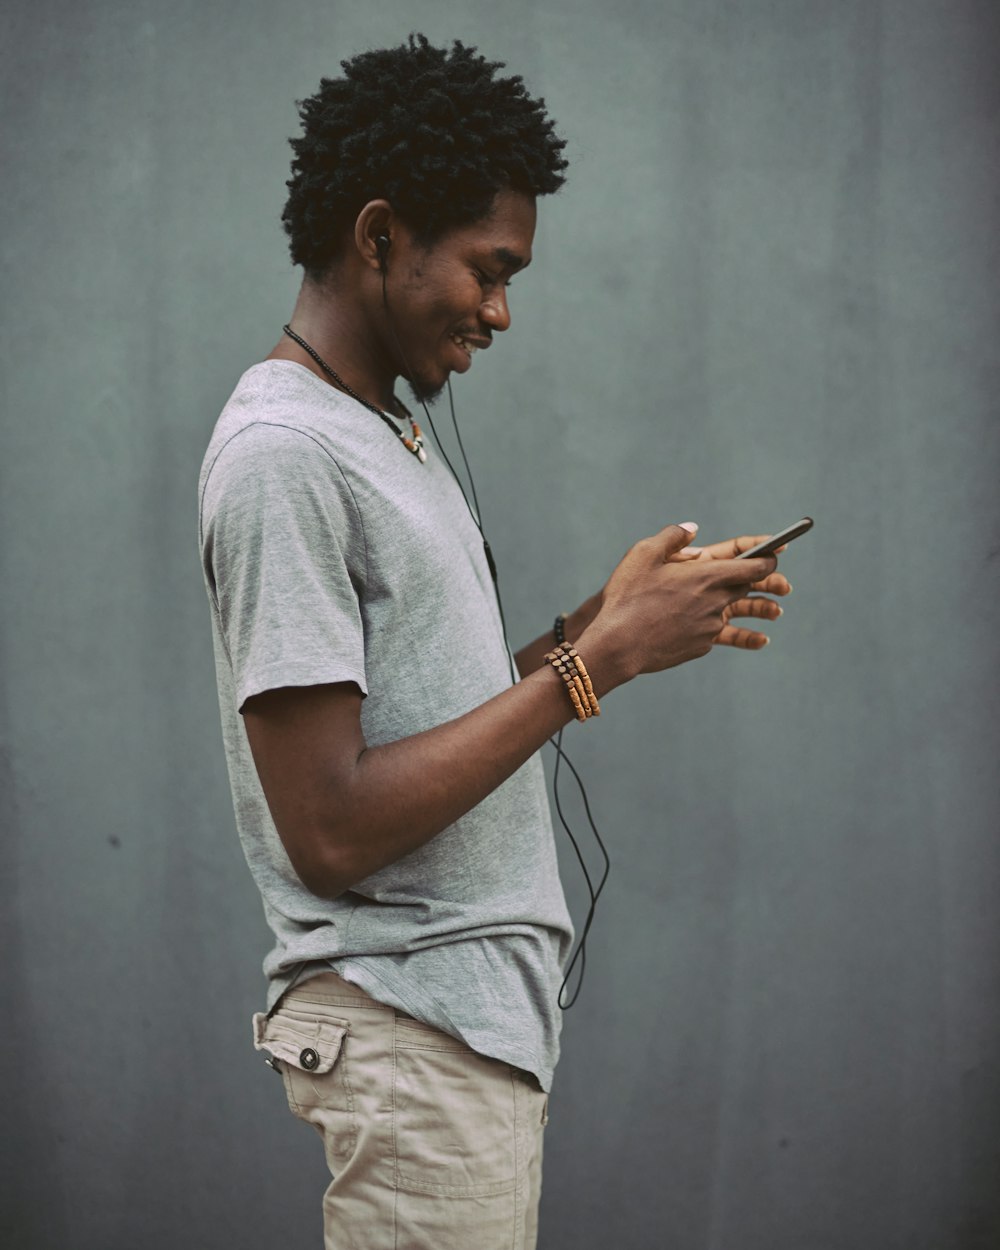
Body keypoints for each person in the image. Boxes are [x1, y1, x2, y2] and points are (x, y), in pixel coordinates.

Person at [198, 34, 789, 1250]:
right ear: (376, 236)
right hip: (412, 1031)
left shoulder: (379, 433)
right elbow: (329, 826)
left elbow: (422, 725)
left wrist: (600, 622)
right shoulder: (284, 458)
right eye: (486, 267)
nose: (501, 310)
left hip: (463, 1033)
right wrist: (596, 665)